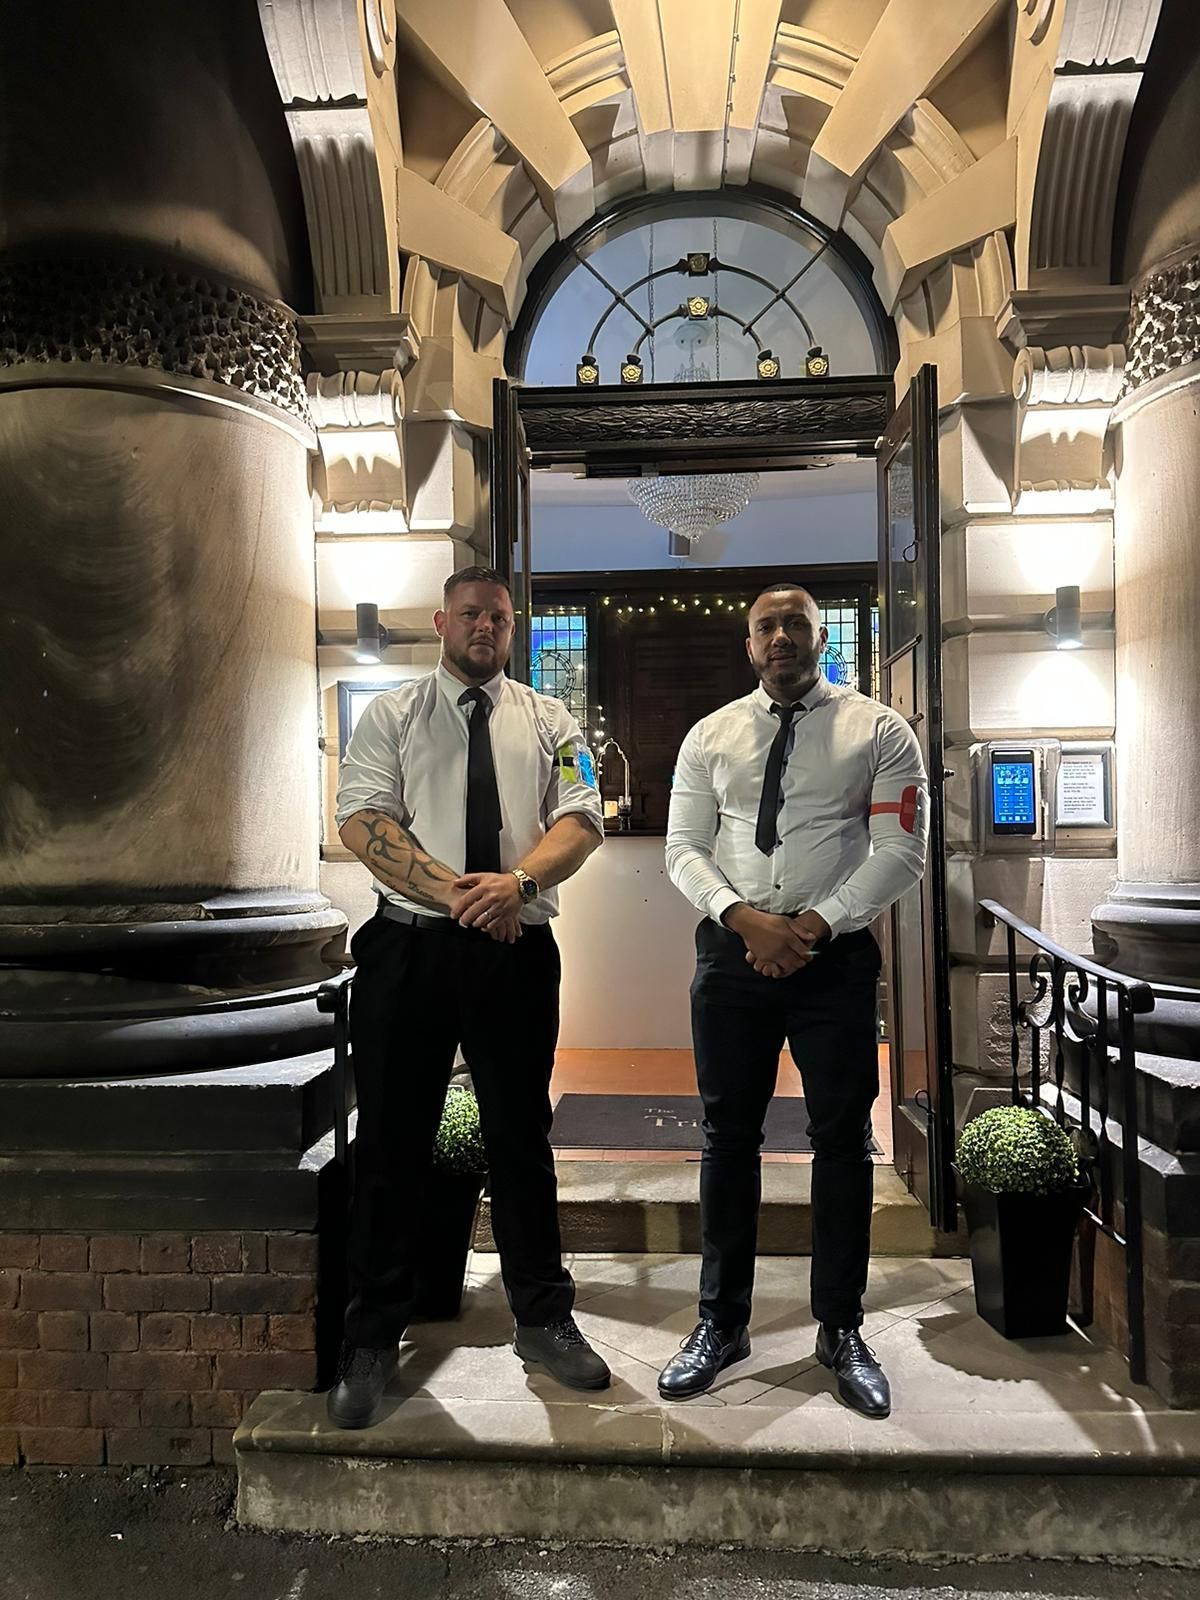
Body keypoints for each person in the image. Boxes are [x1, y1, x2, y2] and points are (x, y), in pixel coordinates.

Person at [327, 565, 609, 1428]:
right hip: (408, 951)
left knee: (521, 1138)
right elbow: (362, 820)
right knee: (393, 1143)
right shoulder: (390, 715)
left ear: (511, 629)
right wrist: (463, 893)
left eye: (499, 616)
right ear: (441, 621)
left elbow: (585, 816)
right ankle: (372, 1335)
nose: (484, 626)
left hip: (515, 953)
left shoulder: (553, 720)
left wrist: (514, 885)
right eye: (471, 614)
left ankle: (544, 1318)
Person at [658, 582, 928, 1417]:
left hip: (835, 959)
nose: (781, 637)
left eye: (796, 625)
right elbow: (683, 847)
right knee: (727, 1138)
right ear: (749, 644)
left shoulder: (879, 730)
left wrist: (809, 926)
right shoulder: (711, 735)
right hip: (731, 954)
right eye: (766, 626)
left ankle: (840, 1328)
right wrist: (745, 921)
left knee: (841, 1143)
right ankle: (720, 1323)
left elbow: (901, 850)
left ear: (821, 635)